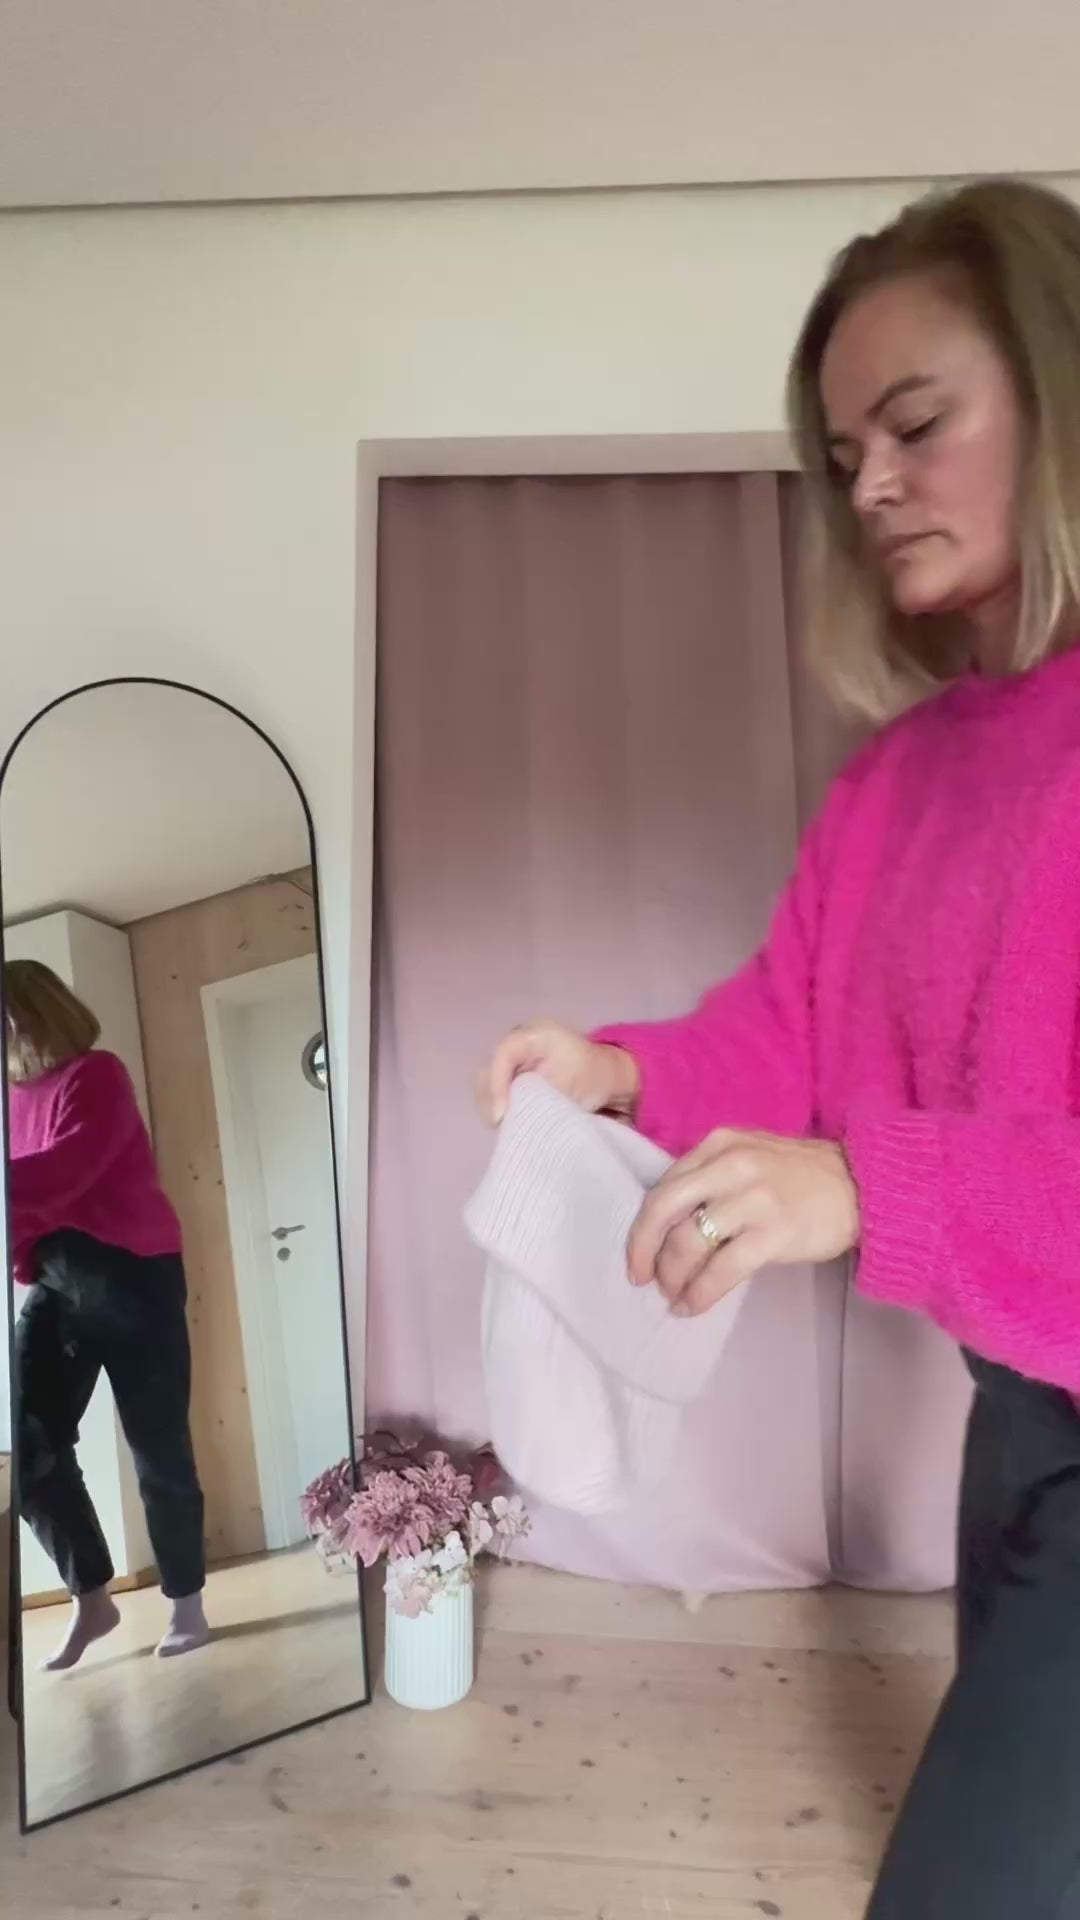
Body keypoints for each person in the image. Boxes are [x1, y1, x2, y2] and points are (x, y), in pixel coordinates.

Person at [481, 178, 1080, 1917]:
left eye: (917, 423)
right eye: (843, 453)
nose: (870, 484)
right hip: (1021, 1401)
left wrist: (869, 1189)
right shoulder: (897, 783)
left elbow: (855, 1155)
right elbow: (792, 1029)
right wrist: (618, 1072)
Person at [6, 959, 208, 1669]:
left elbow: (66, 1172)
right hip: (57, 1279)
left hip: (133, 1274)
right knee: (26, 1444)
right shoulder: (8, 1100)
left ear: (34, 1012)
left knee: (158, 1447)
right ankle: (92, 1596)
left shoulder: (98, 1075)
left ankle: (186, 1602)